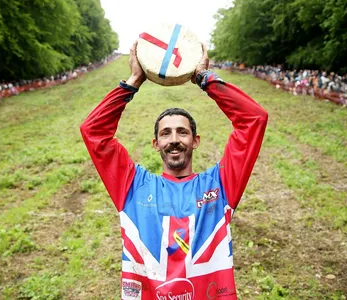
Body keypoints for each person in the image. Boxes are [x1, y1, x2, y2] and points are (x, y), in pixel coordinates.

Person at [80, 41, 268, 300]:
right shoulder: (132, 187)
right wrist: (134, 80)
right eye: (165, 133)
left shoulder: (221, 185)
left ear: (196, 140)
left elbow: (254, 120)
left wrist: (204, 77)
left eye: (183, 132)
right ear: (156, 144)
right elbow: (93, 132)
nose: (174, 139)